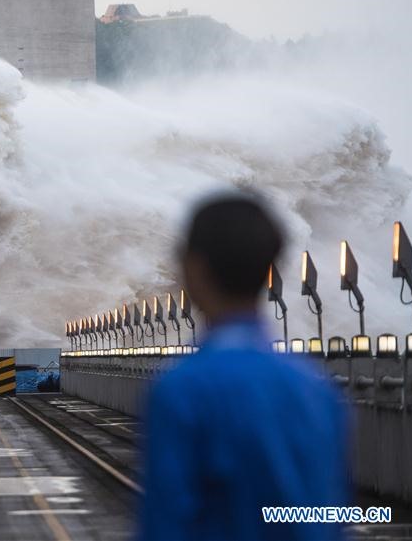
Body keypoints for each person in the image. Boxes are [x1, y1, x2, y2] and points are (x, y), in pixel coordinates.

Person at [139, 192, 350, 541]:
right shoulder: (316, 385)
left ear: (194, 267)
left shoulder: (182, 387)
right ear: (269, 270)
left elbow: (167, 521)